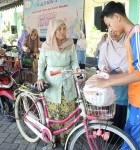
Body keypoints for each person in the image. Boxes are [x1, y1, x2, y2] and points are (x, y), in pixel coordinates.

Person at [86, 1, 140, 149]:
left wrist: (108, 82)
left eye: (108, 24)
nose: (109, 29)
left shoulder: (137, 35)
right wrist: (108, 78)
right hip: (137, 103)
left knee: (139, 145)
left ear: (117, 16)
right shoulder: (132, 36)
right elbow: (133, 72)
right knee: (129, 143)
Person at [35, 19, 80, 149]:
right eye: (59, 29)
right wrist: (40, 78)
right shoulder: (46, 46)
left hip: (67, 81)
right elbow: (41, 65)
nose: (62, 31)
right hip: (52, 83)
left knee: (68, 112)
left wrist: (76, 69)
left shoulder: (70, 43)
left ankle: (66, 136)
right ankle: (53, 135)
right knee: (53, 113)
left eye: (64, 28)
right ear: (53, 31)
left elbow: (74, 61)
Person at [98, 31, 128, 132]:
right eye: (110, 30)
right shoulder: (105, 46)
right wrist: (103, 67)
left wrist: (122, 69)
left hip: (123, 81)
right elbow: (101, 62)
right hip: (108, 81)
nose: (113, 33)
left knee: (119, 109)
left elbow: (132, 62)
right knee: (108, 109)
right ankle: (106, 137)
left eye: (116, 30)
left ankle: (118, 138)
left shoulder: (128, 45)